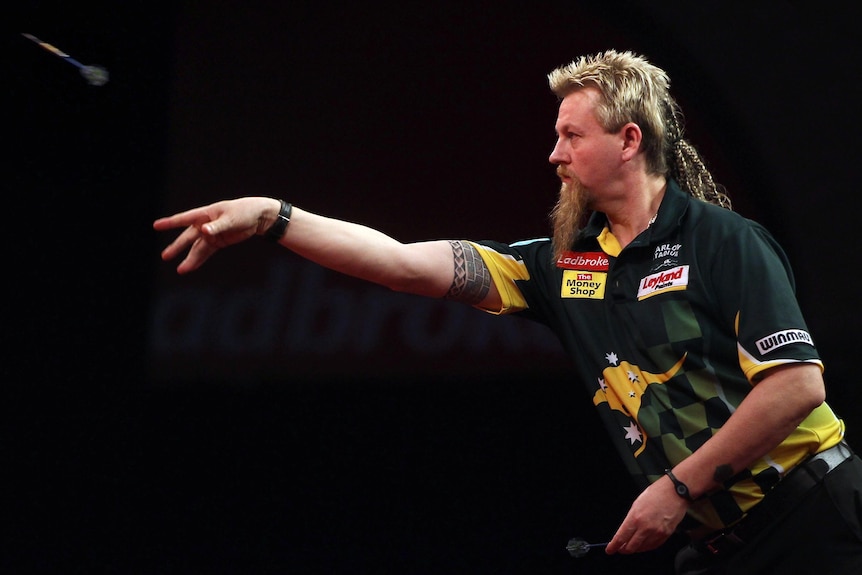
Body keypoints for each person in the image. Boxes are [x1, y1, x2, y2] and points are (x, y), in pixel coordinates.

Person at [153, 50, 862, 574]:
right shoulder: (559, 265)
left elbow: (797, 384)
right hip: (715, 546)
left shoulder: (722, 242)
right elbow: (400, 262)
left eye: (571, 136)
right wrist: (274, 217)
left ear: (629, 141)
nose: (553, 154)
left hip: (812, 520)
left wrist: (675, 488)